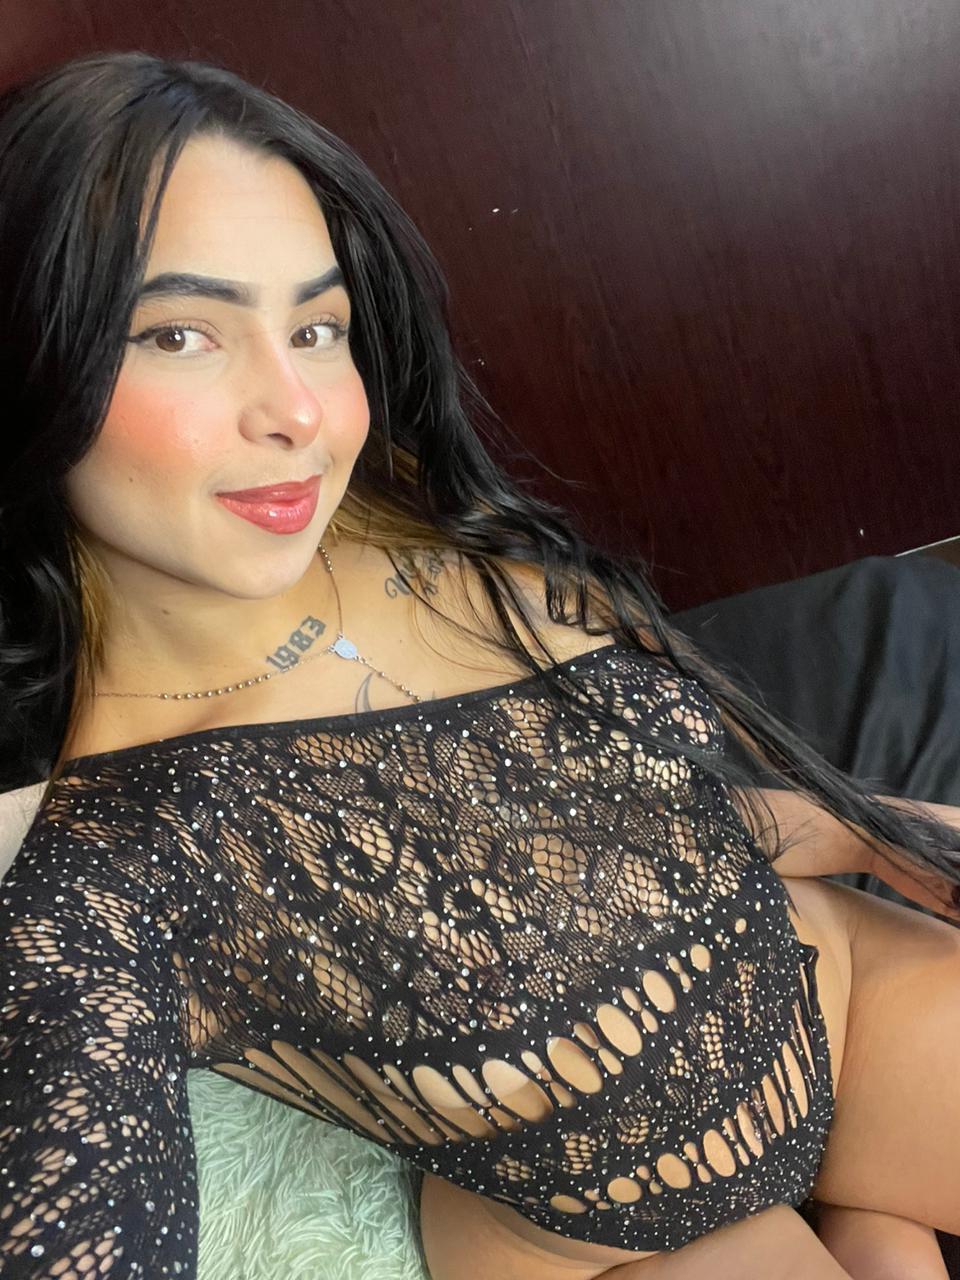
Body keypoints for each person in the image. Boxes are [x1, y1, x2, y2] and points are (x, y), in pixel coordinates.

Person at [1, 50, 959, 1280]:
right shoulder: (107, 867)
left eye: (317, 325)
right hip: (620, 1223)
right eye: (180, 332)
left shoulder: (418, 509)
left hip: (839, 990)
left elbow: (624, 832)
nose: (300, 410)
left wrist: (867, 828)